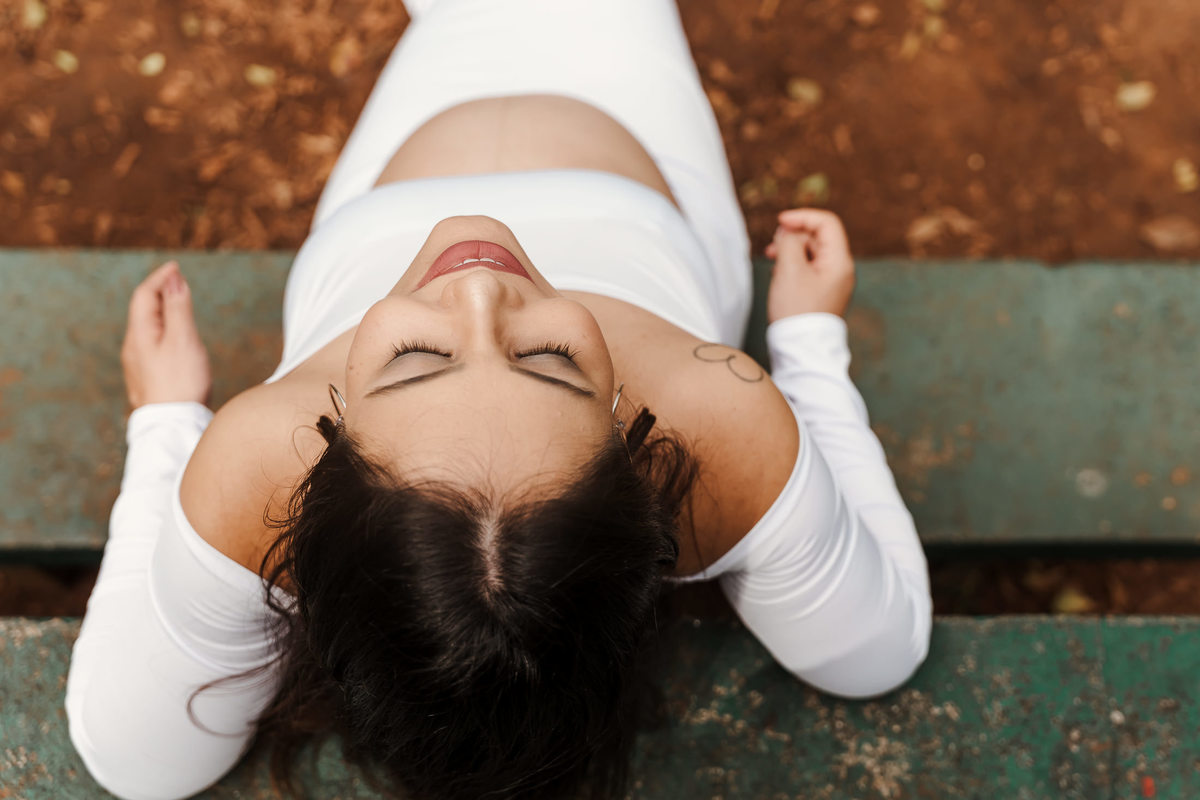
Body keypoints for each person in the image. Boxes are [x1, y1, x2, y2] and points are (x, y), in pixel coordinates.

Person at [65, 0, 932, 798]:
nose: (480, 289)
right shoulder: (719, 423)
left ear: (326, 448)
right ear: (632, 446)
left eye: (414, 361)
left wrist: (166, 422)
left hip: (409, 141)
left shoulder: (259, 456)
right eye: (552, 360)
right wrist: (810, 345)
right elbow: (879, 653)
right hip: (627, 104)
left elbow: (136, 762)